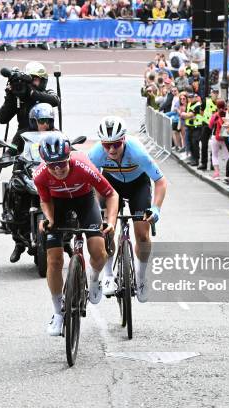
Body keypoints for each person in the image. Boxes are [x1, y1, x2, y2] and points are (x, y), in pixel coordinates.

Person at [33, 132, 118, 336]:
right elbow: (45, 200)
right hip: (58, 204)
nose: (58, 169)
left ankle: (96, 278)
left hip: (85, 201)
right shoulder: (40, 175)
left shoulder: (83, 166)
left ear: (69, 157)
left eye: (62, 163)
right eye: (52, 165)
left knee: (98, 253)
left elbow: (111, 193)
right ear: (45, 163)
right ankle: (57, 312)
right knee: (53, 261)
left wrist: (111, 222)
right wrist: (49, 219)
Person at [88, 116, 167, 302]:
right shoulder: (96, 154)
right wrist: (94, 207)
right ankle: (108, 276)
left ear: (124, 139)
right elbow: (88, 183)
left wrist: (156, 208)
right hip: (110, 184)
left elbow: (160, 181)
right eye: (107, 145)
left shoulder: (137, 151)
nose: (112, 149)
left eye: (116, 144)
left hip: (138, 184)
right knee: (107, 227)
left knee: (142, 234)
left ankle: (140, 277)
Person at [0, 102, 58, 260]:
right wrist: (7, 156)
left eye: (47, 121)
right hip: (27, 171)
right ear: (33, 121)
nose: (45, 124)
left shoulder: (57, 134)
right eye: (41, 121)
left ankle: (68, 238)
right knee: (13, 186)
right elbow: (11, 149)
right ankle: (18, 242)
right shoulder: (22, 134)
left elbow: (66, 149)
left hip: (51, 174)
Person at [0, 62, 60, 154]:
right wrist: (10, 96)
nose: (30, 84)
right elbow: (2, 119)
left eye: (34, 80)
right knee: (20, 136)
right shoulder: (20, 97)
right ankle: (11, 151)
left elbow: (55, 101)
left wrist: (32, 92)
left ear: (42, 81)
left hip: (47, 140)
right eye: (29, 81)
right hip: (22, 145)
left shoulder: (47, 92)